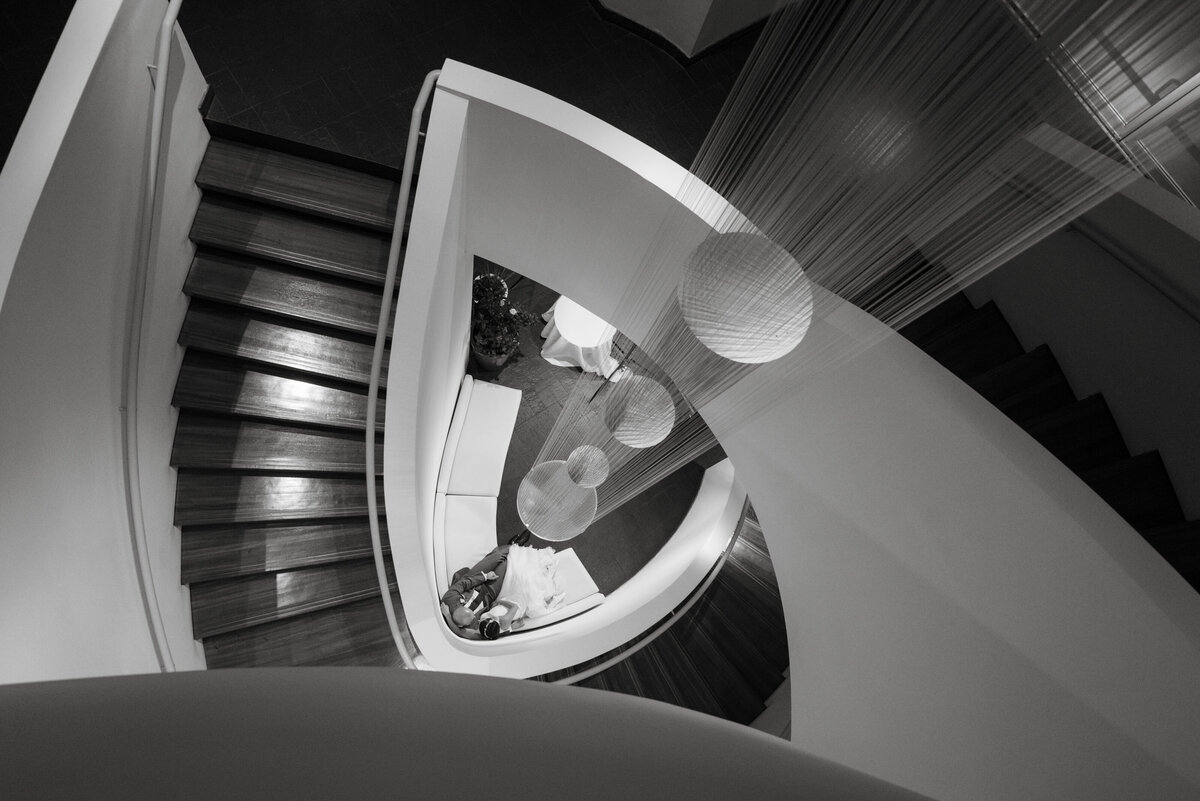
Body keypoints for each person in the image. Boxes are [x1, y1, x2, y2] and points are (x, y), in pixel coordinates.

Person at [440, 530, 531, 637]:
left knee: (498, 555)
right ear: (462, 625)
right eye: (472, 619)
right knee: (507, 563)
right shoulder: (470, 627)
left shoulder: (449, 599)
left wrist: (485, 576)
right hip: (488, 593)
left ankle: (513, 545)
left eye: (471, 616)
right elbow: (464, 633)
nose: (476, 618)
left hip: (475, 580)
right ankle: (515, 548)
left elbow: (463, 583)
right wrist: (511, 627)